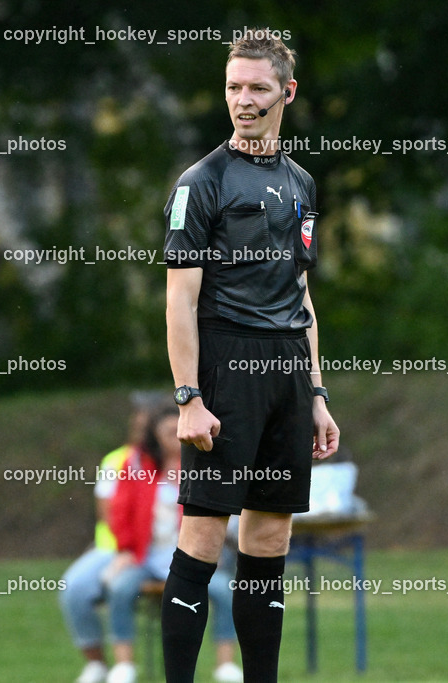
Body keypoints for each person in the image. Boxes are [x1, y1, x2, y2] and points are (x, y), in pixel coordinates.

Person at [162, 28, 340, 682]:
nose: (243, 99)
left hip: (289, 371)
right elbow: (179, 300)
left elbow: (301, 292)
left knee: (269, 541)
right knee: (204, 536)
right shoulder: (201, 182)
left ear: (286, 93)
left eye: (257, 88)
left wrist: (317, 393)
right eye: (234, 86)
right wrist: (189, 397)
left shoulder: (300, 183)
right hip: (226, 369)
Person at [103, 405, 241, 683]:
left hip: (192, 556)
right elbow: (120, 511)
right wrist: (125, 550)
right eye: (165, 431)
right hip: (146, 555)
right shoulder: (136, 464)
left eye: (175, 430)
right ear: (155, 434)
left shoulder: (202, 462)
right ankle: (124, 665)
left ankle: (225, 664)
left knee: (225, 591)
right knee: (120, 588)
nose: (172, 437)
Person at [58, 392, 156, 683]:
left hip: (156, 552)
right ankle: (97, 664)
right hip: (113, 549)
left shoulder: (178, 461)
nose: (140, 428)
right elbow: (108, 516)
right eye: (137, 422)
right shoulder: (117, 461)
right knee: (74, 587)